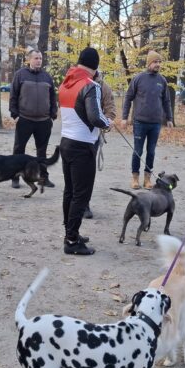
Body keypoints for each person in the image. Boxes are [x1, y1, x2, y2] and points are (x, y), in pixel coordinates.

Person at [59, 47, 112, 254]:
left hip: (66, 141)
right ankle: (71, 241)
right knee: (81, 195)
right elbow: (94, 116)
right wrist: (107, 123)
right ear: (95, 67)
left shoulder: (65, 83)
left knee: (69, 192)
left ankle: (70, 232)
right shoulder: (91, 86)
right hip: (82, 146)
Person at [120, 50, 173, 189]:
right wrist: (124, 117)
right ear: (149, 63)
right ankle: (135, 178)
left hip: (155, 123)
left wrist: (169, 118)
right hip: (139, 122)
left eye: (159, 62)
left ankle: (147, 179)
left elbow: (167, 101)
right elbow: (128, 97)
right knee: (138, 151)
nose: (158, 64)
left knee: (151, 151)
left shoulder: (162, 81)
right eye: (155, 62)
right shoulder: (138, 78)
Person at [9, 49, 58, 189]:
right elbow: (13, 96)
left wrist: (53, 115)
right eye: (36, 58)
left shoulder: (47, 77)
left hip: (44, 121)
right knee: (19, 150)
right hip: (24, 119)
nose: (38, 60)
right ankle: (15, 177)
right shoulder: (20, 75)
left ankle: (43, 178)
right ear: (29, 59)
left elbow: (53, 98)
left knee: (42, 152)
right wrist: (15, 115)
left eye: (40, 58)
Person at [83, 69, 117, 219]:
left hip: (93, 136)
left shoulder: (103, 87)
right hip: (74, 136)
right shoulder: (79, 83)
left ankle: (85, 204)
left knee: (88, 171)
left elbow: (110, 108)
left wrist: (107, 121)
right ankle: (74, 203)